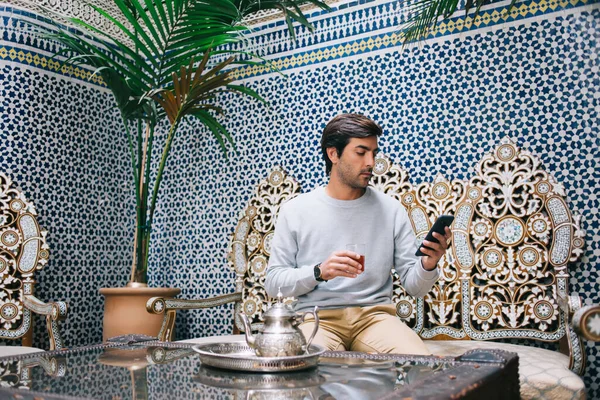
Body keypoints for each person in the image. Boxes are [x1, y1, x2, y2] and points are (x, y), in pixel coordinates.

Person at [264, 113, 451, 355]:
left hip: (375, 318)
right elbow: (273, 283)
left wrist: (428, 264)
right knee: (305, 366)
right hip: (317, 319)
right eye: (361, 152)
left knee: (419, 365)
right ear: (334, 154)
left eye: (374, 153)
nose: (371, 162)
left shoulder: (391, 210)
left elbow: (415, 287)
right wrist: (319, 272)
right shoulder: (295, 210)